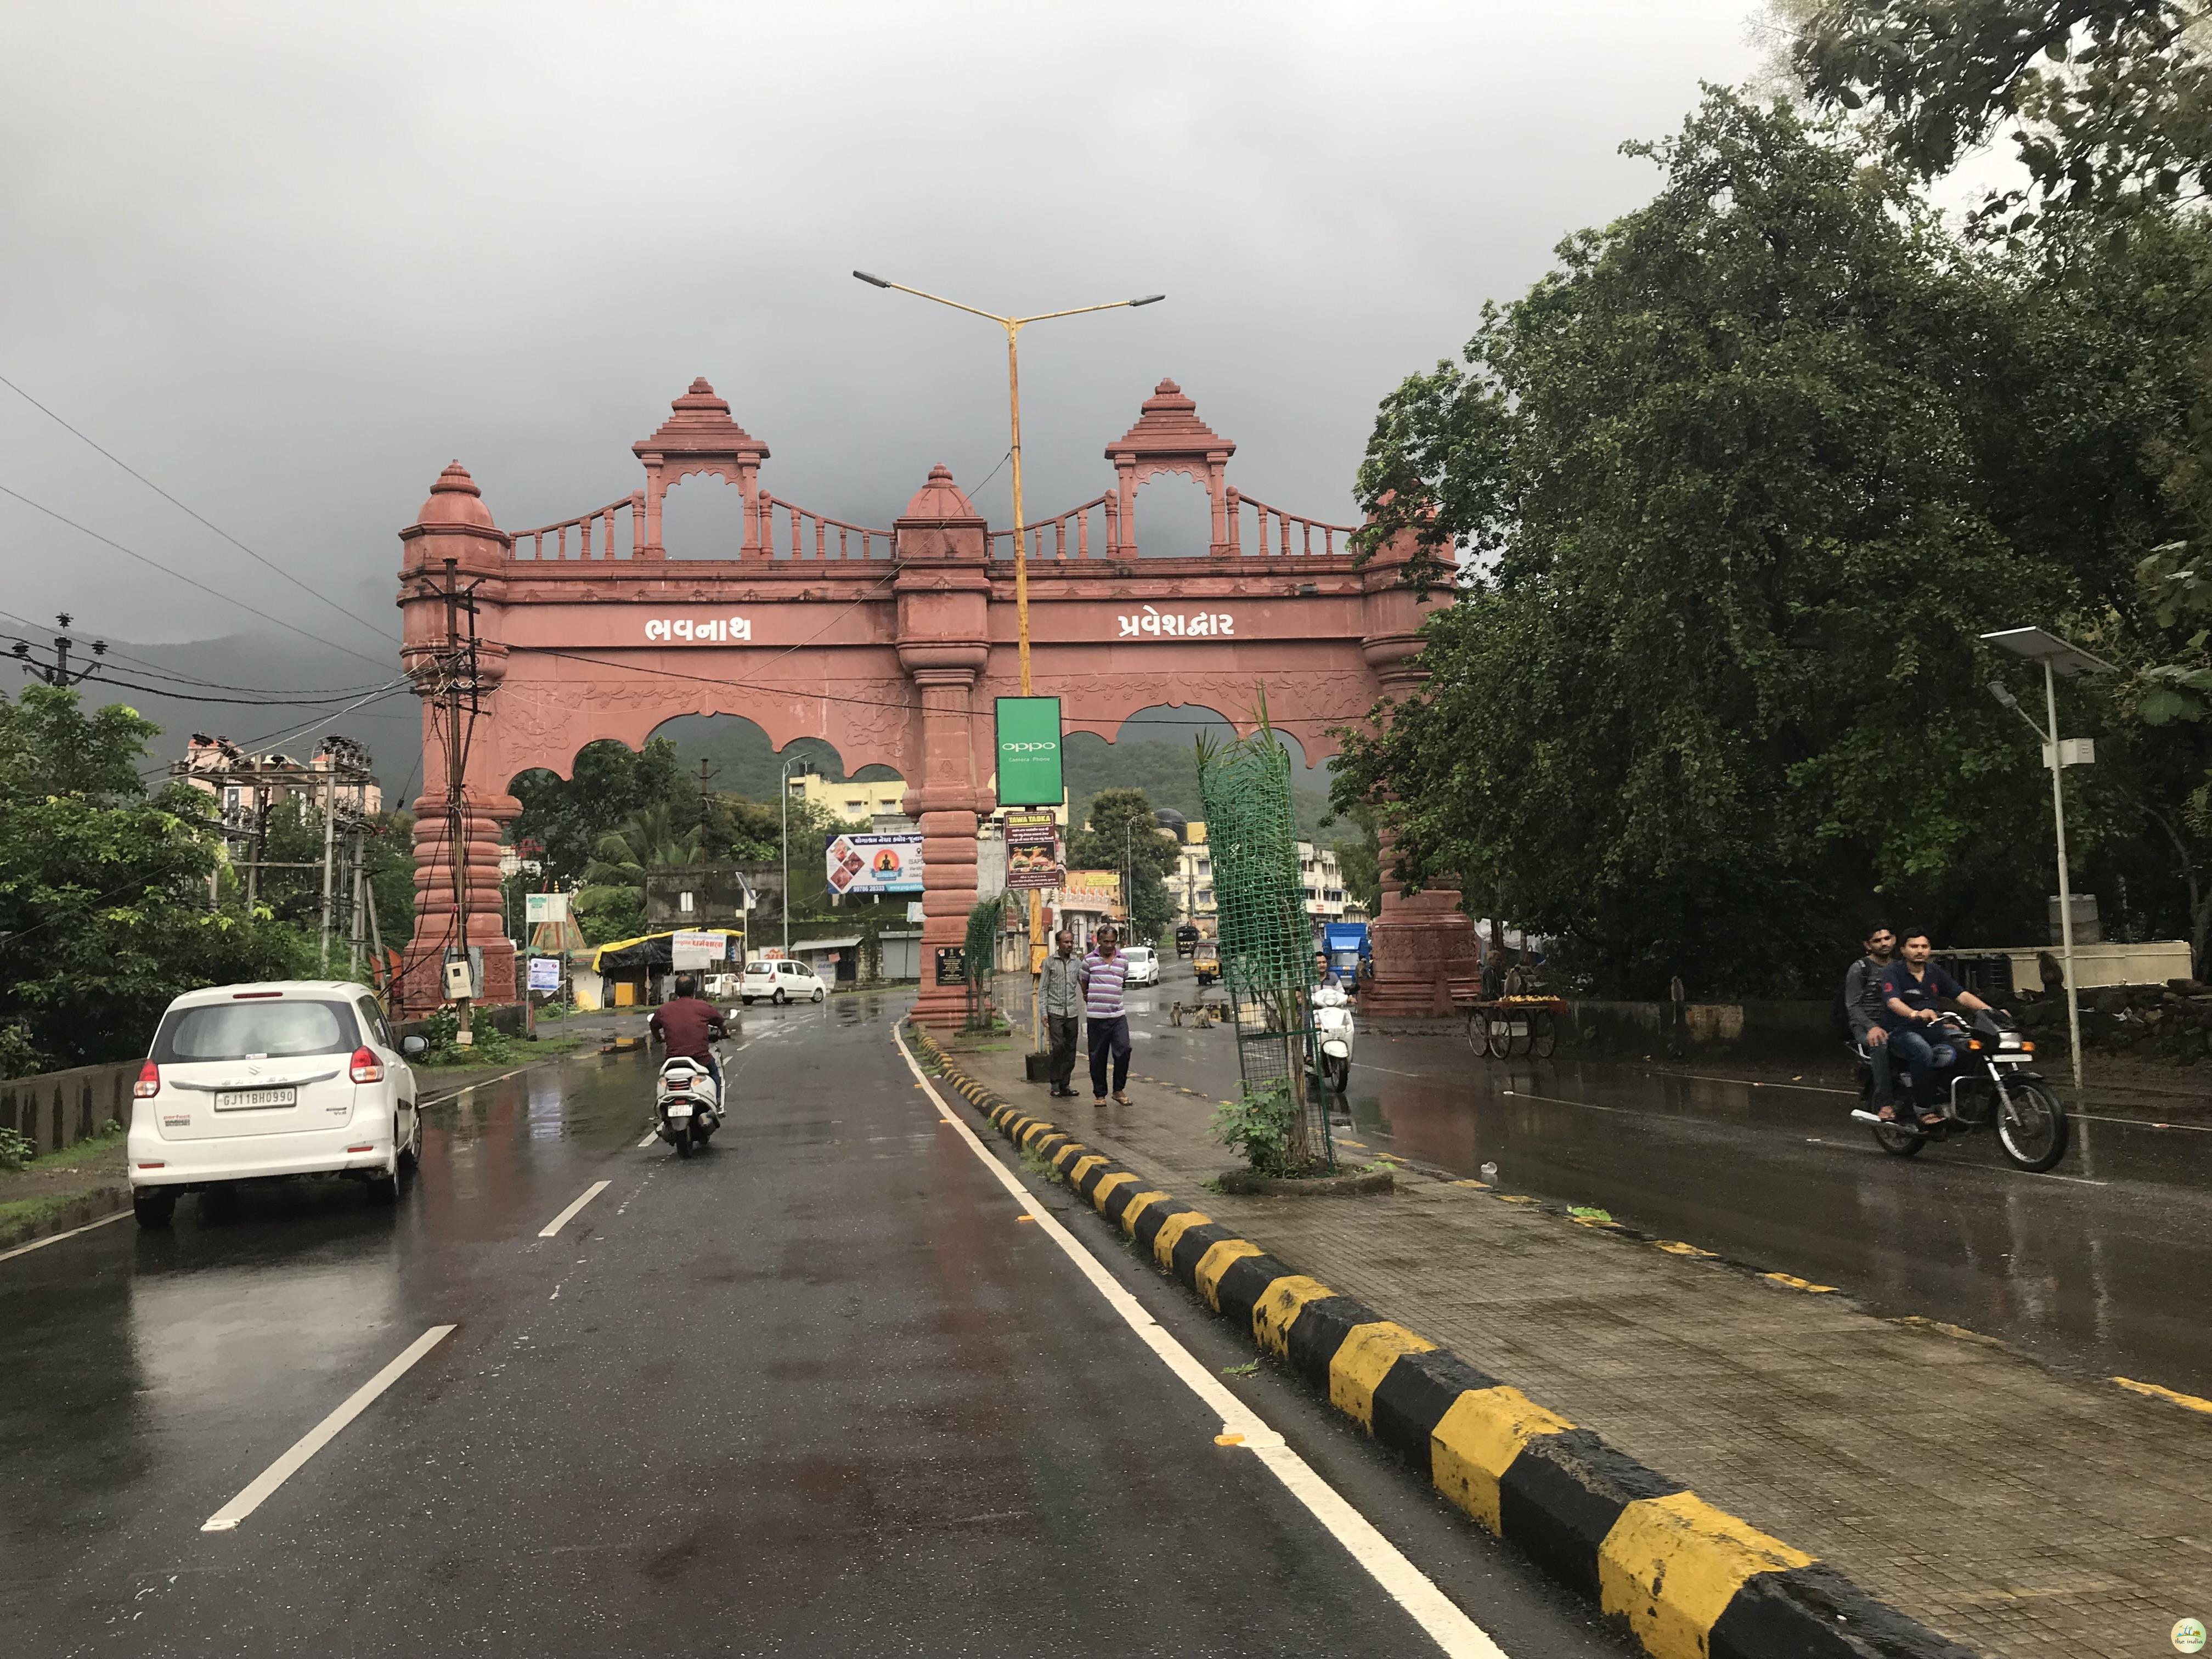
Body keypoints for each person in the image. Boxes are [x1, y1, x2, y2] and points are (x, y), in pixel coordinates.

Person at [1880, 929, 1994, 1127]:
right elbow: (1893, 1002)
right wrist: (1914, 1014)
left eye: (1924, 947)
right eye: (1914, 946)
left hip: (1935, 1030)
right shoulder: (1893, 972)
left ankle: (1962, 1099)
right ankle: (1924, 1109)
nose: (1920, 951)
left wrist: (1991, 1011)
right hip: (1901, 1031)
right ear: (1903, 950)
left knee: (1971, 1046)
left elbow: (1961, 995)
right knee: (1921, 1051)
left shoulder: (1935, 972)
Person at [1842, 924, 1899, 1119]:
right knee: (1880, 1043)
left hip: (1894, 1022)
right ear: (1868, 945)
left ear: (1894, 940)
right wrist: (1872, 1026)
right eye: (1877, 940)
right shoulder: (1860, 969)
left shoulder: (1899, 968)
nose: (1884, 943)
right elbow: (1853, 1005)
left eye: (1886, 938)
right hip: (1866, 1024)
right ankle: (1886, 1104)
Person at [648, 973, 730, 1104]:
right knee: (715, 1072)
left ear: (676, 991)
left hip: (673, 1060)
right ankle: (718, 1102)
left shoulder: (664, 1009)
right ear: (693, 990)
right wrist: (725, 1033)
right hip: (700, 1058)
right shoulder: (703, 1007)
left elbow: (653, 1026)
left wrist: (659, 1038)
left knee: (663, 1077)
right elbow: (721, 1023)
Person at [1080, 924, 1133, 1105]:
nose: (1110, 946)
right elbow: (1084, 983)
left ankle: (1118, 1090)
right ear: (1099, 941)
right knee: (1097, 1056)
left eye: (1113, 942)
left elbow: (1122, 981)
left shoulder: (1123, 960)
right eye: (1106, 942)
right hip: (1096, 1018)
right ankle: (1100, 1095)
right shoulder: (1089, 961)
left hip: (1118, 1016)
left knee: (1124, 1050)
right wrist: (1090, 999)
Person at [1039, 928, 1084, 1098]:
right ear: (1058, 944)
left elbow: (1083, 984)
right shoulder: (1049, 963)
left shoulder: (1077, 963)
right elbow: (1043, 989)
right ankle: (1055, 1083)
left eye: (1071, 942)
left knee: (1071, 1049)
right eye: (1066, 942)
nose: (1069, 945)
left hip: (1072, 1011)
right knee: (1058, 1047)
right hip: (1055, 1011)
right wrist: (1044, 1012)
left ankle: (1065, 1084)